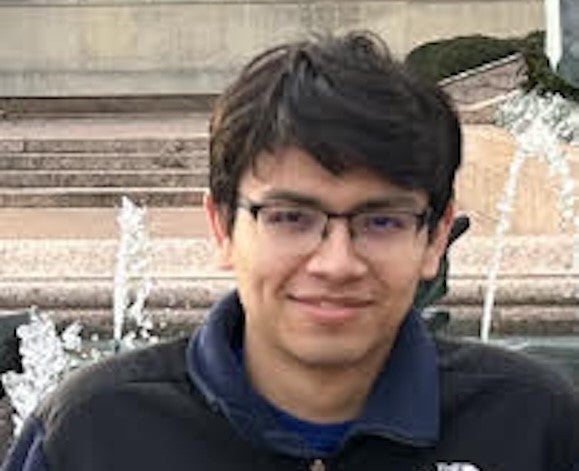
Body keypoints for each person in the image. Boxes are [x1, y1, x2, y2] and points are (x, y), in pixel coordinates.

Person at [2, 31, 578, 471]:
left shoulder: (534, 424)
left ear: (434, 238)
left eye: (381, 220)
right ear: (222, 226)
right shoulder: (92, 433)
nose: (336, 263)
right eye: (290, 218)